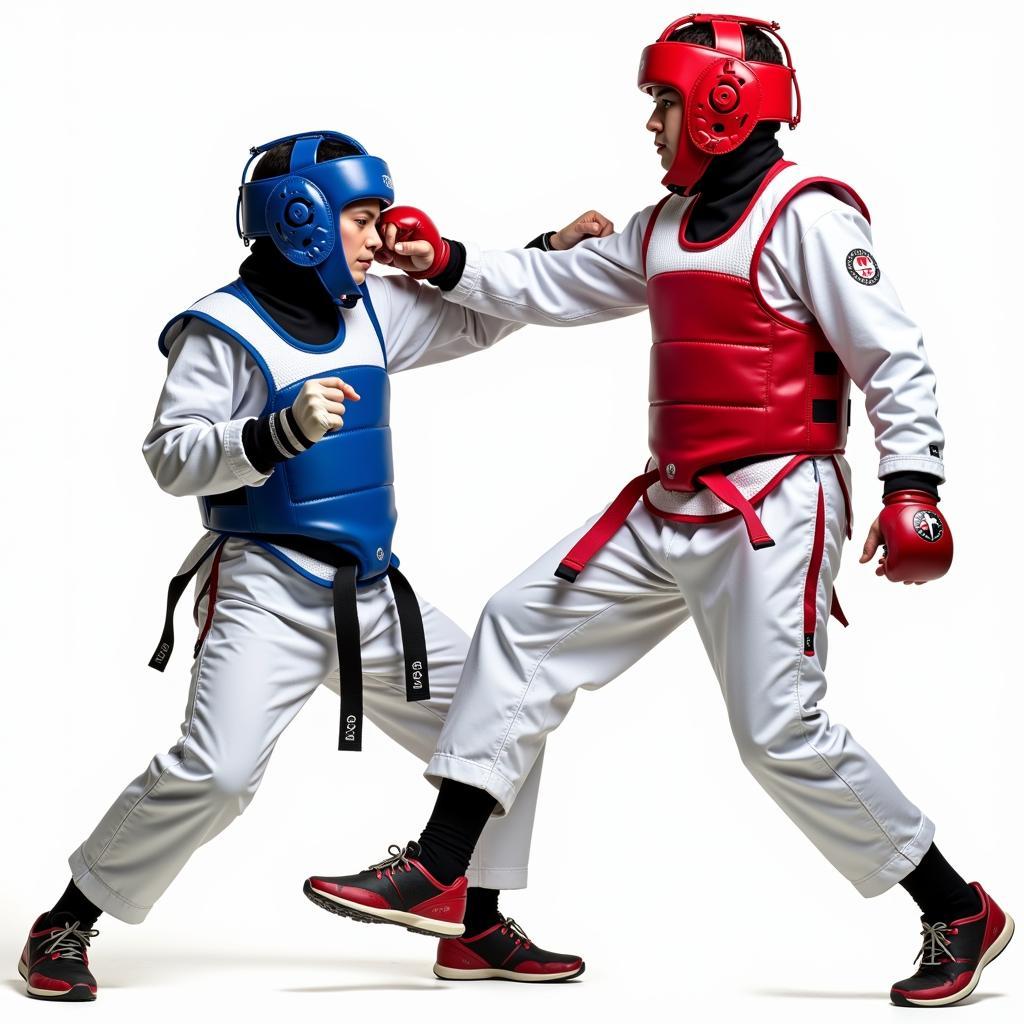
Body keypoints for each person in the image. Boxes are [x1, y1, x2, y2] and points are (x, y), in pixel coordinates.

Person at [302, 18, 1014, 1006]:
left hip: (773, 505)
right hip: (671, 497)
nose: (650, 123)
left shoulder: (804, 217)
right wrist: (450, 260)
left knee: (778, 732)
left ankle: (957, 910)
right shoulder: (665, 225)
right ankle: (449, 875)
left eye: (665, 103)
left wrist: (913, 485)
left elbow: (892, 355)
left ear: (723, 105)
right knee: (522, 622)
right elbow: (553, 282)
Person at [18, 131, 604, 1001]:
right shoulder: (221, 329)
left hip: (367, 593)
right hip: (264, 590)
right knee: (214, 774)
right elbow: (170, 456)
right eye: (363, 220)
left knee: (504, 711)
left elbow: (476, 316)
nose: (378, 237)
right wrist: (268, 434)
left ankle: (471, 922)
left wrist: (549, 250)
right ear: (305, 221)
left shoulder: (369, 308)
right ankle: (67, 919)